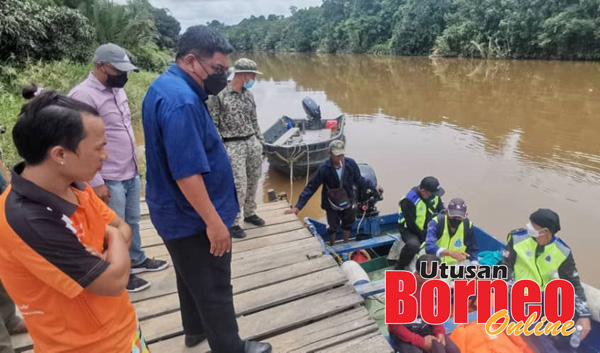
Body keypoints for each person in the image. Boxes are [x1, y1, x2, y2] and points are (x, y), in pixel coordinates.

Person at [141, 25, 271, 353]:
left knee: (190, 277)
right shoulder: (183, 101)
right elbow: (187, 174)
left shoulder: (165, 86)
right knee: (214, 287)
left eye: (225, 71)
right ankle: (230, 347)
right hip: (193, 217)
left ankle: (194, 330)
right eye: (217, 70)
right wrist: (215, 223)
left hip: (173, 213)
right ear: (190, 61)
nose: (222, 77)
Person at [0, 90, 147, 352]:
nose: (106, 155)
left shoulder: (74, 184)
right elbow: (113, 282)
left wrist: (113, 247)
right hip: (86, 346)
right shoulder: (26, 218)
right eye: (99, 147)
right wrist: (112, 240)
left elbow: (123, 228)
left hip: (125, 330)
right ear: (60, 154)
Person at [69, 44, 168, 293]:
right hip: (108, 175)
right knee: (113, 226)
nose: (123, 75)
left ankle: (136, 258)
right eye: (118, 69)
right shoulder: (83, 95)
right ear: (100, 66)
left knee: (132, 220)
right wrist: (96, 180)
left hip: (129, 170)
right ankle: (123, 271)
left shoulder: (116, 89)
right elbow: (80, 142)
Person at [502, 208, 591, 351]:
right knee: (535, 333)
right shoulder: (517, 239)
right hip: (514, 293)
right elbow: (506, 267)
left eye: (533, 225)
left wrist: (584, 315)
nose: (528, 227)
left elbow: (572, 283)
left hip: (542, 297)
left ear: (545, 231)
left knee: (570, 317)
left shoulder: (562, 251)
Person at [208, 58, 265, 239]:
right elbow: (213, 124)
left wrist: (260, 142)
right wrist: (220, 148)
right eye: (252, 75)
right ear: (242, 74)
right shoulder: (219, 95)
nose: (254, 79)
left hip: (251, 142)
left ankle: (250, 213)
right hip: (232, 144)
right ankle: (232, 221)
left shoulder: (248, 95)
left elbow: (254, 120)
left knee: (253, 179)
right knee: (238, 184)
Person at [286, 140, 381, 246]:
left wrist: (373, 187)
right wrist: (298, 207)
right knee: (332, 226)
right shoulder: (324, 168)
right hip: (331, 203)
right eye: (336, 155)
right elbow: (311, 188)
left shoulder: (351, 164)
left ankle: (346, 243)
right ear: (329, 154)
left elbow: (360, 179)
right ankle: (332, 244)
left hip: (348, 200)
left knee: (348, 223)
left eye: (341, 155)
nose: (339, 158)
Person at [388, 254, 461, 353]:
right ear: (417, 275)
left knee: (453, 351)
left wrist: (439, 333)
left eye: (437, 276)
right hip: (404, 332)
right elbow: (395, 326)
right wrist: (421, 342)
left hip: (425, 327)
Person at [396, 177, 445, 270]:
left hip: (428, 226)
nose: (434, 196)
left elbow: (441, 211)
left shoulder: (434, 196)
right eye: (432, 194)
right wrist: (424, 237)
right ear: (423, 191)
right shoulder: (409, 201)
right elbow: (411, 224)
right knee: (413, 245)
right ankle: (400, 266)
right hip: (410, 230)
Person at [424, 198, 479, 266]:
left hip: (453, 269)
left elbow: (473, 250)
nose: (456, 219)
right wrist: (449, 252)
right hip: (432, 265)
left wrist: (474, 265)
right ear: (446, 212)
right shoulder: (436, 222)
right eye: (453, 216)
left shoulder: (468, 226)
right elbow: (429, 247)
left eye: (459, 217)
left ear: (465, 215)